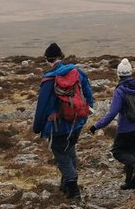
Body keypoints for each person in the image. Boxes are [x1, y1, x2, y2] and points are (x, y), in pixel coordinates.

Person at [33, 42, 94, 199]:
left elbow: (42, 106)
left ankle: (73, 188)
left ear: (48, 60)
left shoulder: (48, 80)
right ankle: (65, 185)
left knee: (61, 154)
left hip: (58, 125)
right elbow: (88, 94)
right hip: (77, 121)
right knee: (70, 148)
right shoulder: (78, 73)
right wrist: (85, 112)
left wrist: (37, 127)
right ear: (61, 57)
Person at [88, 58, 135, 190]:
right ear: (130, 72)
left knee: (118, 151)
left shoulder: (120, 90)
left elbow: (112, 113)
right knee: (132, 153)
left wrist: (96, 126)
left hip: (126, 129)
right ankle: (130, 182)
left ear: (118, 74)